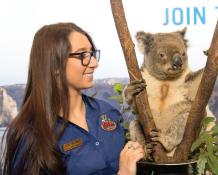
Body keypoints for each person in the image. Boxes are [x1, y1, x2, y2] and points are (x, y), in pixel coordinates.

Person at [2, 22, 145, 175]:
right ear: (55, 64)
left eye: (92, 53)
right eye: (83, 55)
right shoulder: (30, 134)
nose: (94, 63)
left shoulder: (107, 111)